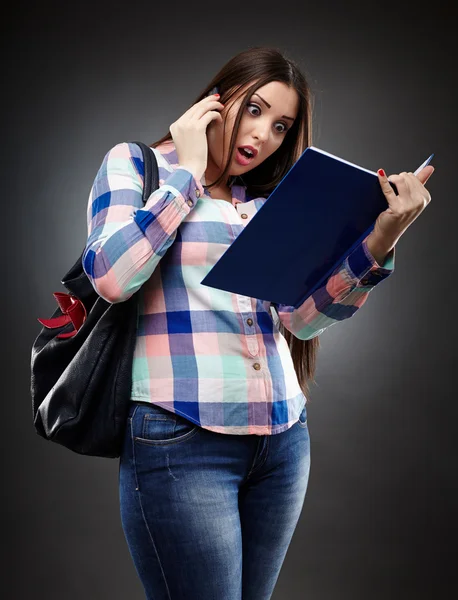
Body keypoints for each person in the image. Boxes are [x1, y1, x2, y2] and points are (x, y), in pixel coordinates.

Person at [82, 46, 434, 600]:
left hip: (282, 443)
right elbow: (109, 276)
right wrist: (190, 176)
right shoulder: (137, 165)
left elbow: (302, 318)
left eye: (281, 126)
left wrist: (381, 238)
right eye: (255, 110)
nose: (263, 136)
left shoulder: (268, 198)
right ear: (218, 99)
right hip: (182, 439)